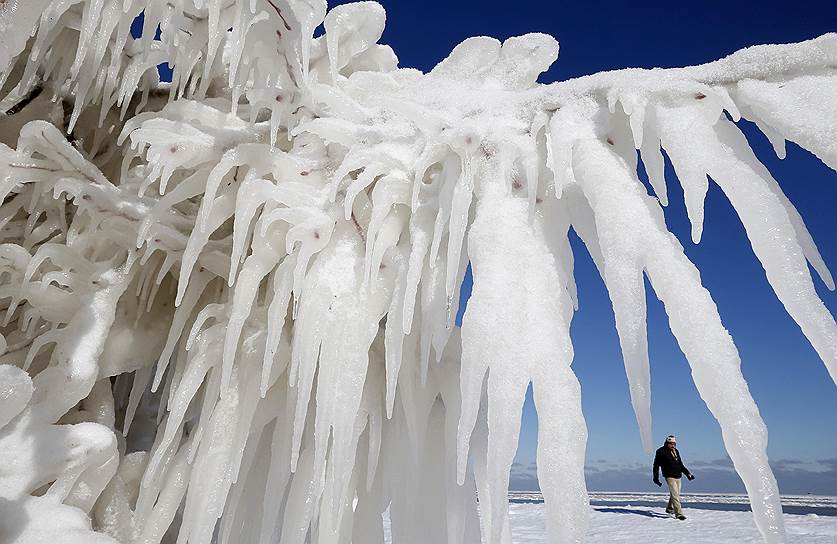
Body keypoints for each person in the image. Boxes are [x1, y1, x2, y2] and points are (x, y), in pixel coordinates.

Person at [652, 435, 695, 520]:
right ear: (667, 443)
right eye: (671, 444)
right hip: (669, 476)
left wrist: (688, 474)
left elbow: (680, 465)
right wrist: (656, 478)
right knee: (675, 495)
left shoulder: (676, 451)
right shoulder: (661, 451)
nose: (673, 445)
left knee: (676, 494)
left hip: (678, 475)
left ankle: (669, 508)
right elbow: (656, 465)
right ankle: (679, 514)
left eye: (674, 444)